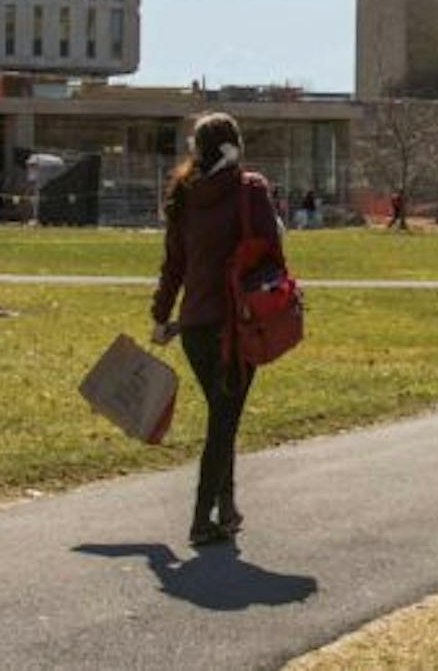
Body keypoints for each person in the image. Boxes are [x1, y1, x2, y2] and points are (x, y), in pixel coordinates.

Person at [150, 112, 282, 548]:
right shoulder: (250, 191)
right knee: (224, 423)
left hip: (194, 327)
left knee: (223, 414)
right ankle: (202, 518)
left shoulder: (184, 196)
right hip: (236, 326)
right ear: (235, 146)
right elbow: (272, 249)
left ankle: (227, 508)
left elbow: (174, 265)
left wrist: (160, 315)